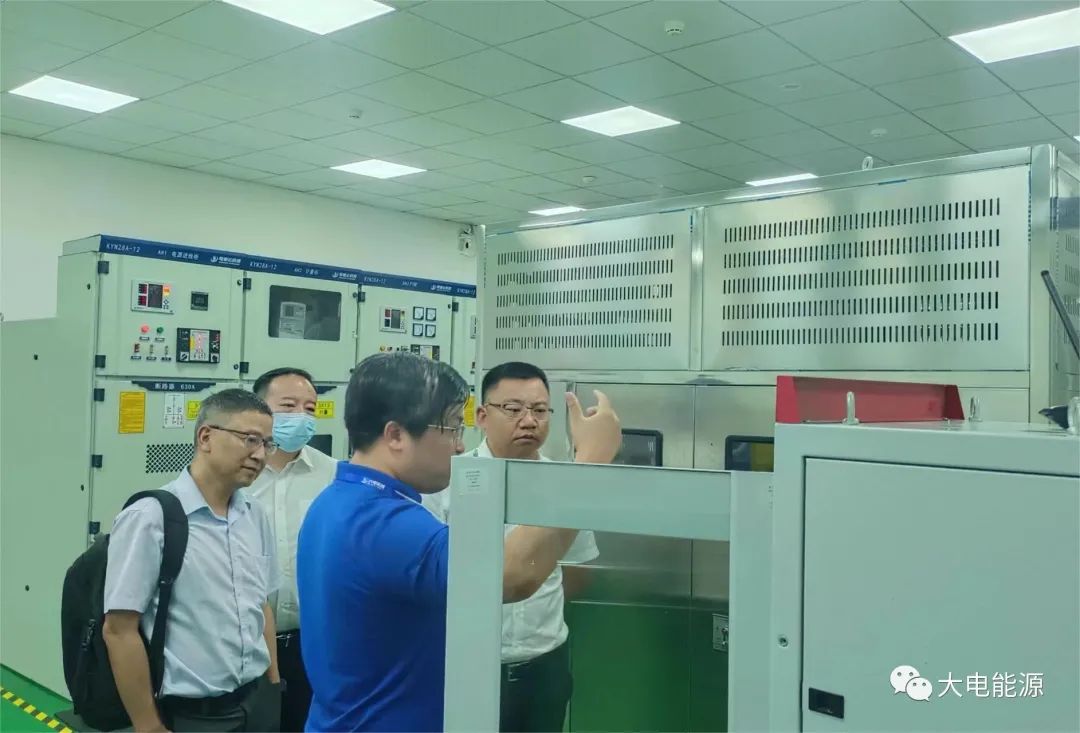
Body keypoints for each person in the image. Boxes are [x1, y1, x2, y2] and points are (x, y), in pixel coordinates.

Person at [297, 352, 621, 732]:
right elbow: (509, 576)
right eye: (451, 429)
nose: (459, 447)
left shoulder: (338, 500)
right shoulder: (382, 523)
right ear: (396, 435)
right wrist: (588, 463)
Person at [422, 361, 596, 732]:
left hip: (544, 664)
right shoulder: (446, 481)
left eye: (539, 410)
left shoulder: (564, 484)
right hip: (464, 664)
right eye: (513, 409)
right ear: (482, 416)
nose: (529, 421)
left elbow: (577, 571)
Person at [102, 389, 282, 733]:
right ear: (205, 437)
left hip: (257, 703)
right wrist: (148, 725)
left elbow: (262, 606)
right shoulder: (150, 518)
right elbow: (119, 630)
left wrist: (273, 686)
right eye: (249, 439)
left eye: (267, 444)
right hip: (194, 716)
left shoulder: (253, 514)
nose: (260, 455)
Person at [248, 368, 339, 732]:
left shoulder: (332, 474)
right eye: (288, 406)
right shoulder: (238, 475)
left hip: (314, 640)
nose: (301, 416)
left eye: (310, 408)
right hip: (247, 641)